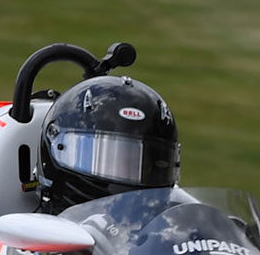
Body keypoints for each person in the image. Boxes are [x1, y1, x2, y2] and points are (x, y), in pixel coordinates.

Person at [36, 75, 180, 214]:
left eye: (136, 164)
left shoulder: (168, 230)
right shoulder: (26, 231)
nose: (124, 172)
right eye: (109, 160)